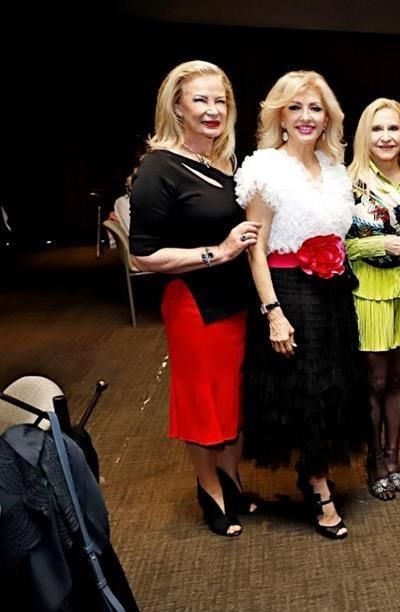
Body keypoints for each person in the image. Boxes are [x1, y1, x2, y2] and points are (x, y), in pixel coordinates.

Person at [235, 70, 367, 540]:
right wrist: (273, 312)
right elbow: (257, 246)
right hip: (288, 290)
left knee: (333, 387)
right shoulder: (264, 169)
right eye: (296, 107)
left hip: (332, 292)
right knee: (306, 391)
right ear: (280, 115)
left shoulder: (333, 169)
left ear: (328, 117)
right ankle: (317, 485)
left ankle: (314, 471)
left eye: (315, 108)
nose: (307, 117)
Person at [129, 60, 259, 537]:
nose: (212, 110)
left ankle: (232, 477)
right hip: (195, 306)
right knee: (204, 403)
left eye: (220, 100)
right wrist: (218, 252)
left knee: (232, 400)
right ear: (177, 108)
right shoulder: (159, 166)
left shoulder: (225, 161)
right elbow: (143, 255)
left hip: (239, 304)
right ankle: (209, 488)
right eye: (200, 100)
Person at [346, 98, 400, 500]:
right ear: (365, 135)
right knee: (373, 383)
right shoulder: (348, 182)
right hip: (368, 295)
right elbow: (332, 246)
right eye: (378, 129)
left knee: (397, 380)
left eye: (394, 129)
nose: (386, 137)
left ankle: (393, 457)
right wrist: (374, 243)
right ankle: (373, 459)